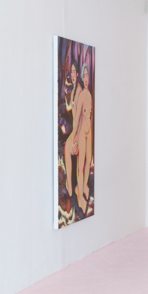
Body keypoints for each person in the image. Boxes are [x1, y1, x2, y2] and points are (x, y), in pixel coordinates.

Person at [63, 61, 94, 214]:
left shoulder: (85, 94)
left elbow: (86, 117)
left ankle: (81, 187)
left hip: (87, 131)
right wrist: (75, 138)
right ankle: (77, 192)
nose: (85, 78)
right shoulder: (80, 94)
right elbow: (77, 120)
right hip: (80, 132)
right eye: (84, 75)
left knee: (88, 161)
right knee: (80, 165)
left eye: (87, 75)